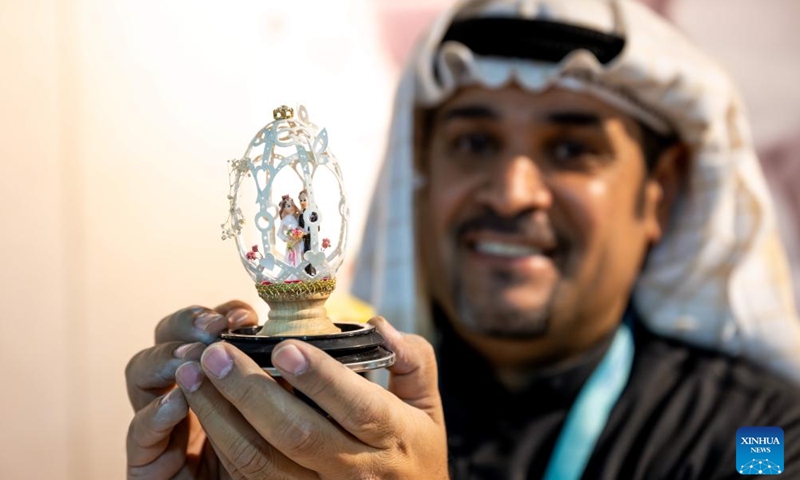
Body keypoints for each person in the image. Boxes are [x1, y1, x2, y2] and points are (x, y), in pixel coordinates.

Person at [125, 1, 800, 478]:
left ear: (660, 194)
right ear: (420, 171)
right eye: (474, 142)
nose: (510, 193)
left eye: (570, 148)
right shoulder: (335, 402)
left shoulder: (761, 434)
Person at [276, 194, 305, 271]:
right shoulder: (286, 219)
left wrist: (300, 233)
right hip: (292, 242)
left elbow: (298, 228)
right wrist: (287, 239)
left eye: (292, 205)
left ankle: (300, 273)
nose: (291, 208)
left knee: (299, 256)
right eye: (288, 206)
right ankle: (292, 275)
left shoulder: (295, 217)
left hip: (298, 241)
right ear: (284, 209)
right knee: (292, 258)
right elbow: (279, 233)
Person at [297, 189, 317, 276]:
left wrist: (309, 231)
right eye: (301, 200)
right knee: (305, 255)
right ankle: (306, 273)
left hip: (312, 238)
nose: (302, 202)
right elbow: (300, 226)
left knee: (312, 253)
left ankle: (312, 271)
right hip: (304, 239)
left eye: (304, 199)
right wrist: (300, 231)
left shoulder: (313, 213)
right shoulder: (301, 215)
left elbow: (317, 227)